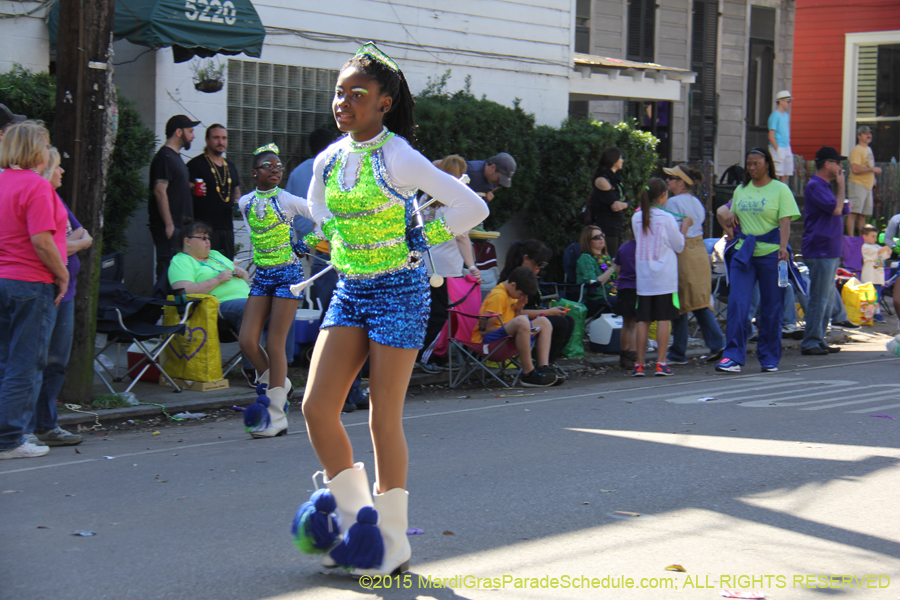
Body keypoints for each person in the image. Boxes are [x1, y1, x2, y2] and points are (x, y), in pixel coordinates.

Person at [293, 42, 488, 577]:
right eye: (340, 93)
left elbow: (473, 206)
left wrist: (419, 234)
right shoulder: (329, 159)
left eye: (358, 94)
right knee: (316, 407)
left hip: (401, 291)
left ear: (384, 102)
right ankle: (362, 528)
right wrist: (331, 234)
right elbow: (315, 207)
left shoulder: (398, 155)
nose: (344, 102)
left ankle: (392, 540)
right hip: (352, 289)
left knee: (383, 416)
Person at [0, 121, 68, 460]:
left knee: (5, 358)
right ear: (34, 150)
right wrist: (62, 274)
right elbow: (41, 240)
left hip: (3, 279)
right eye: (44, 145)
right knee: (25, 363)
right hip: (30, 280)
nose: (47, 151)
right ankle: (11, 438)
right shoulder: (36, 187)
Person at [236, 144, 314, 438]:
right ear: (254, 172)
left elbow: (324, 216)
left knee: (275, 342)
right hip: (263, 276)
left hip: (288, 276)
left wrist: (307, 243)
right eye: (268, 166)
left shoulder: (288, 200)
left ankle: (276, 411)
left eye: (279, 166)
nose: (275, 170)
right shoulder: (244, 203)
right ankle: (278, 382)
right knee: (247, 340)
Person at [25, 148, 92, 448]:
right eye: (58, 167)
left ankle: (46, 424)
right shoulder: (36, 196)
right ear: (46, 169)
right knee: (32, 361)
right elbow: (48, 246)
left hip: (68, 292)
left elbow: (84, 233)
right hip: (44, 288)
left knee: (56, 363)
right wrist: (72, 245)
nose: (62, 172)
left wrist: (69, 244)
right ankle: (22, 428)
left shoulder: (58, 200)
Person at [716, 147, 800, 372]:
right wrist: (730, 215)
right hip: (744, 254)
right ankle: (732, 356)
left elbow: (785, 222)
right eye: (749, 164)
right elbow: (728, 213)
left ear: (767, 165)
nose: (752, 168)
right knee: (737, 303)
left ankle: (769, 358)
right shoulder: (741, 190)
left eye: (756, 164)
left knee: (772, 307)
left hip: (772, 253)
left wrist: (783, 248)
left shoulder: (780, 189)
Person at [417, 154, 482, 373]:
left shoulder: (426, 197)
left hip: (424, 265)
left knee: (426, 311)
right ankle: (428, 358)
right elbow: (462, 237)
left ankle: (423, 355)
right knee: (440, 313)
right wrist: (472, 266)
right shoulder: (457, 202)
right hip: (446, 269)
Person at [662, 165, 725, 364]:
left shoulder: (672, 203)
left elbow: (672, 232)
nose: (668, 181)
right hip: (699, 252)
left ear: (681, 182)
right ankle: (715, 344)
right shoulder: (696, 202)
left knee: (679, 303)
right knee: (699, 301)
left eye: (671, 178)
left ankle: (679, 351)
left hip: (684, 253)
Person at [631, 178, 690, 377]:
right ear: (663, 195)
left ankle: (639, 364)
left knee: (643, 320)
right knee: (665, 318)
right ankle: (661, 363)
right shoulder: (667, 218)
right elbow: (679, 245)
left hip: (644, 276)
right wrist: (686, 227)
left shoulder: (636, 217)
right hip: (664, 277)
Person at [800, 146, 850, 355]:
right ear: (828, 164)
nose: (841, 167)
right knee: (819, 297)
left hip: (830, 249)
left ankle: (818, 338)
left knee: (827, 298)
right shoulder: (815, 185)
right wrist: (841, 185)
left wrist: (839, 190)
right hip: (820, 249)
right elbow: (838, 209)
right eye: (839, 163)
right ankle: (810, 341)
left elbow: (844, 208)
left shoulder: (824, 187)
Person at [499, 239, 572, 381]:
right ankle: (540, 366)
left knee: (567, 320)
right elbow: (515, 311)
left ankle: (547, 364)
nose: (541, 268)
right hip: (516, 321)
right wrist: (548, 312)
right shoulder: (514, 280)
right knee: (558, 322)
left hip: (528, 316)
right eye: (539, 264)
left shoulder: (527, 276)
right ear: (526, 259)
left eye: (544, 264)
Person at [472, 266, 557, 387]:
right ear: (512, 285)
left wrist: (519, 309)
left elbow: (513, 321)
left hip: (506, 338)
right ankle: (528, 373)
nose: (522, 298)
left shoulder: (511, 294)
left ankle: (543, 367)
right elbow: (484, 331)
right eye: (521, 294)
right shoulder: (498, 296)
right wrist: (518, 328)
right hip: (489, 343)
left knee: (544, 322)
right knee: (522, 321)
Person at [149, 115, 199, 288]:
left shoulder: (175, 157)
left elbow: (173, 187)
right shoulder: (164, 157)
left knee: (179, 271)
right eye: (190, 131)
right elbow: (159, 190)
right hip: (171, 227)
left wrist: (189, 187)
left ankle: (175, 312)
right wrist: (169, 224)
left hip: (181, 226)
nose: (193, 136)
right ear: (179, 132)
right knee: (167, 271)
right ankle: (160, 310)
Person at [186, 124, 241, 259]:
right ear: (207, 140)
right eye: (216, 138)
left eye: (224, 138)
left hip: (227, 227)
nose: (220, 142)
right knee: (205, 266)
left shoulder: (231, 166)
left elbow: (236, 191)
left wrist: (238, 203)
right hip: (203, 229)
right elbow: (183, 190)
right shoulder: (195, 164)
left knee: (226, 266)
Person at [286, 128, 336, 240]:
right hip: (328, 237)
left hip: (304, 234)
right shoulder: (335, 170)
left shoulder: (296, 172)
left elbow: (286, 208)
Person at [589, 146, 629, 257]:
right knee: (611, 260)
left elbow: (626, 200)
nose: (622, 160)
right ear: (613, 159)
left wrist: (624, 204)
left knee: (619, 260)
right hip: (607, 226)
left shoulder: (616, 179)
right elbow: (614, 204)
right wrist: (622, 203)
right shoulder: (602, 179)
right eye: (620, 158)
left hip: (618, 226)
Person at [846, 125, 881, 237]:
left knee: (863, 215)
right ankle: (851, 239)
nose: (869, 135)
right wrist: (872, 169)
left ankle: (862, 240)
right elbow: (855, 169)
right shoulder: (857, 150)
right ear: (859, 136)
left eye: (869, 133)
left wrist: (873, 178)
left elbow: (868, 165)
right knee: (853, 213)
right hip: (857, 185)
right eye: (866, 134)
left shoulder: (868, 149)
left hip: (868, 186)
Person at [575, 225, 617, 317]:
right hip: (593, 300)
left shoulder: (606, 257)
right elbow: (594, 283)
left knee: (632, 298)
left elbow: (614, 280)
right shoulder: (585, 258)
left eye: (602, 235)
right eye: (596, 237)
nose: (601, 239)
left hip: (609, 296)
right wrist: (612, 268)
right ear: (588, 241)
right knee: (625, 302)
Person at [613, 236, 637, 369]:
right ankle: (633, 357)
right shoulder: (645, 246)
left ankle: (623, 355)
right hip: (638, 286)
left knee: (626, 323)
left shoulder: (623, 247)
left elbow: (617, 269)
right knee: (635, 324)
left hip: (623, 287)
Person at [861, 224, 891, 323]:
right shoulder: (865, 247)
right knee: (872, 298)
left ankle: (875, 314)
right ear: (865, 237)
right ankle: (876, 314)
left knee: (876, 297)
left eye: (876, 236)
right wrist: (888, 245)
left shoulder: (876, 246)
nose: (875, 238)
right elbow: (879, 252)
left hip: (877, 277)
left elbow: (886, 255)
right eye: (872, 236)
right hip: (870, 277)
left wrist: (891, 246)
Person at [768, 90, 793, 183]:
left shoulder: (786, 116)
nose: (789, 104)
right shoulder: (774, 115)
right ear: (781, 101)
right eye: (788, 101)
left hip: (786, 146)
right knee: (777, 173)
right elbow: (771, 135)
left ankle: (782, 194)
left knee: (786, 172)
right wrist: (777, 149)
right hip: (777, 147)